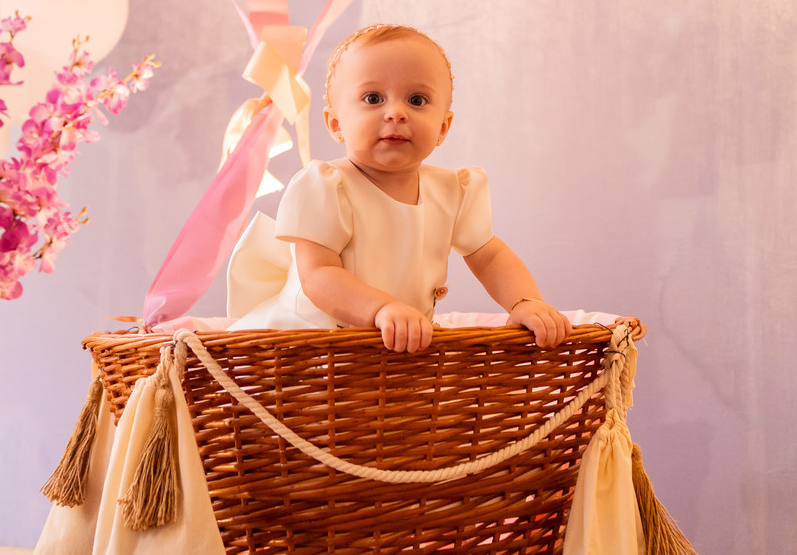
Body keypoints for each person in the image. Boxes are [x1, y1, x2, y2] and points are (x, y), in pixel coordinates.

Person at [227, 23, 610, 352]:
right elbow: (319, 274)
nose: (396, 112)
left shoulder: (452, 190)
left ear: (443, 127)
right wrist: (381, 308)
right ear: (335, 124)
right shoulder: (327, 185)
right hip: (308, 342)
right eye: (373, 98)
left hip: (395, 339)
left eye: (417, 99)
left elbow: (489, 256)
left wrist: (525, 302)